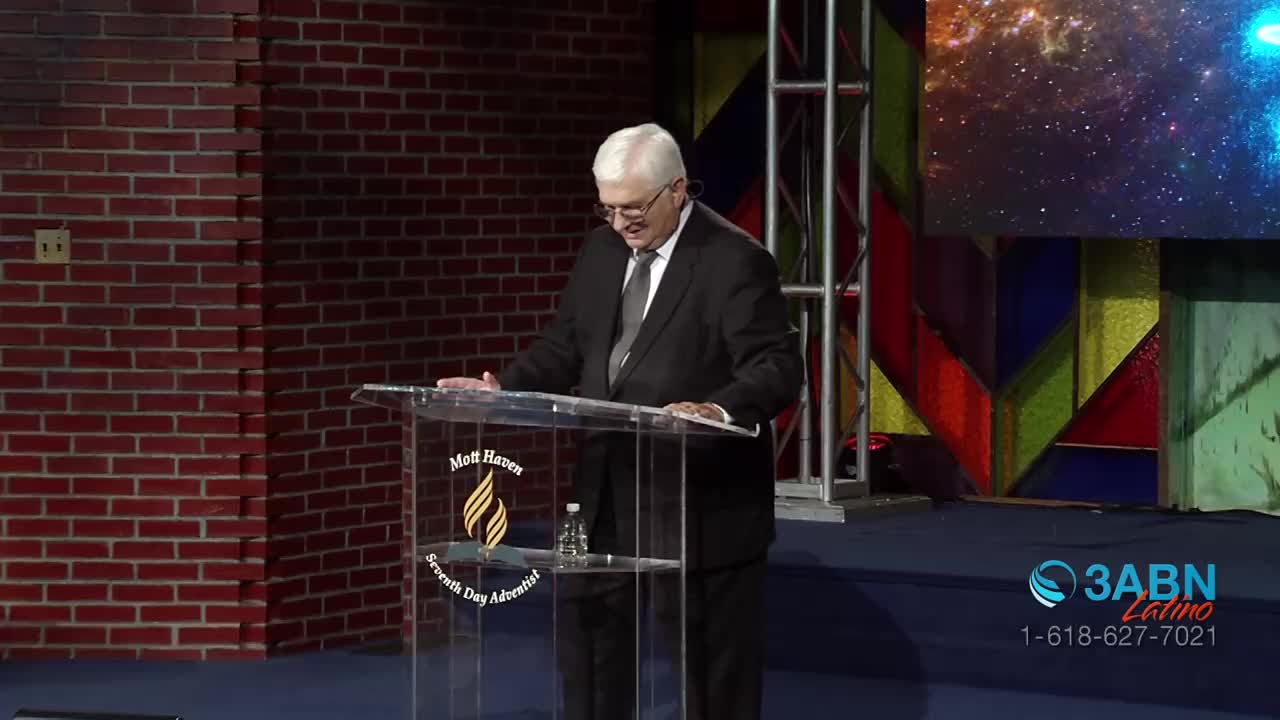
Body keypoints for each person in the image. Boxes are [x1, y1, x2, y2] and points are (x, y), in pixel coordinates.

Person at [437, 122, 804, 720]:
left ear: (678, 189)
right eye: (608, 209)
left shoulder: (734, 260)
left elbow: (777, 366)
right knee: (592, 657)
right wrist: (501, 387)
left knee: (714, 677)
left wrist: (715, 410)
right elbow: (567, 347)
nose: (619, 224)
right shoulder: (602, 250)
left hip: (698, 505)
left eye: (633, 209)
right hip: (605, 497)